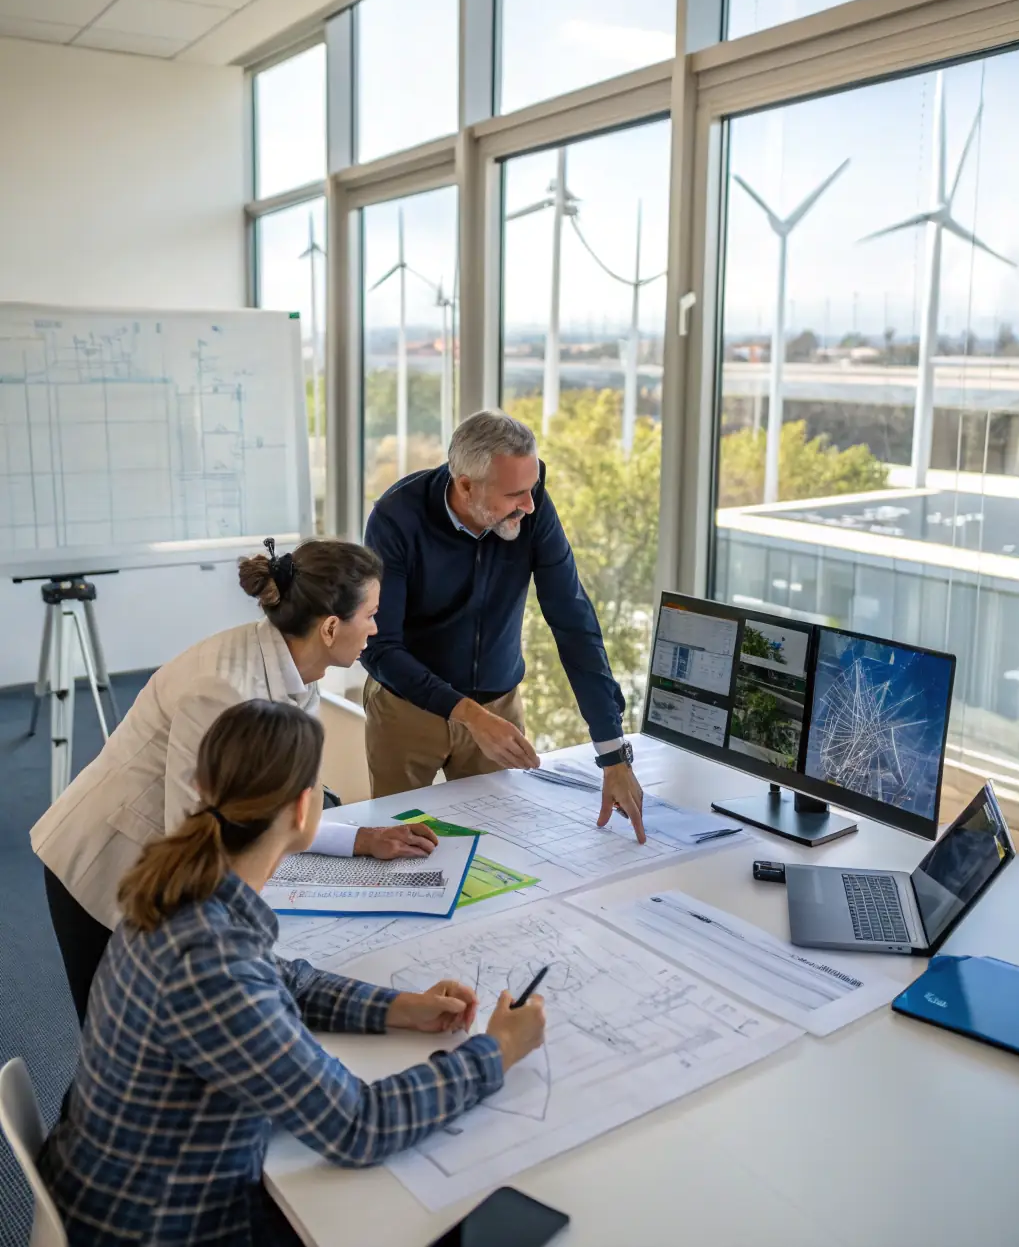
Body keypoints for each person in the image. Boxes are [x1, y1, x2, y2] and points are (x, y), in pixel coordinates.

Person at [38, 700, 545, 1247]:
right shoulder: (210, 962)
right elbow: (359, 1126)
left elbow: (287, 980)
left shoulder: (185, 889)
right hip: (158, 1226)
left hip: (117, 1181)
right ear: (305, 809)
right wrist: (496, 1052)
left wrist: (400, 1007)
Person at [31, 537, 438, 1025]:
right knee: (118, 1031)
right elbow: (195, 833)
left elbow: (272, 810)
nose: (377, 627)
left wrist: (360, 839)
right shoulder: (222, 691)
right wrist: (246, 944)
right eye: (371, 614)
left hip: (165, 860)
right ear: (331, 627)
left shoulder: (295, 668)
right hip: (107, 860)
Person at [362, 410, 646, 840]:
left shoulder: (532, 507)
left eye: (532, 488)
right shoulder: (395, 518)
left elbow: (574, 623)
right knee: (400, 848)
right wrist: (469, 715)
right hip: (407, 709)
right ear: (465, 486)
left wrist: (613, 755)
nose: (529, 505)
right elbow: (378, 646)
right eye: (515, 493)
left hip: (500, 709)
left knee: (500, 849)